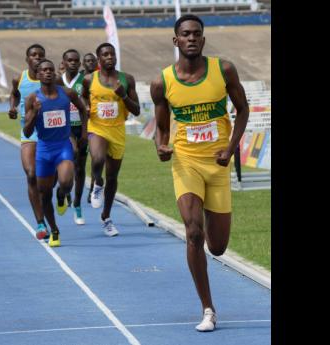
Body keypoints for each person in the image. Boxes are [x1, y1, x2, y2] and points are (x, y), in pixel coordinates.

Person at [150, 14, 249, 332]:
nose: (191, 38)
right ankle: (208, 309)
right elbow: (161, 128)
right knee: (193, 232)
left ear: (203, 40)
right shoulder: (162, 82)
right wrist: (161, 147)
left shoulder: (224, 70)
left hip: (218, 164)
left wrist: (231, 149)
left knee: (217, 246)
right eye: (185, 34)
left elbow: (243, 109)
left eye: (196, 34)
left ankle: (207, 219)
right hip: (187, 163)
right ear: (175, 40)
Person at [24, 59, 88, 247]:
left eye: (51, 69)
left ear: (55, 73)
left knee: (67, 182)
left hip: (63, 145)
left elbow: (83, 109)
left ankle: (62, 194)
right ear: (38, 75)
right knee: (44, 195)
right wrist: (34, 113)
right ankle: (54, 230)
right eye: (44, 70)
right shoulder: (32, 99)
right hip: (44, 149)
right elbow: (27, 132)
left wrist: (83, 132)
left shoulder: (67, 93)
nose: (48, 72)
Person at [82, 43, 140, 236]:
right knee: (97, 159)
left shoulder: (126, 79)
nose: (109, 57)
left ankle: (106, 217)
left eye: (112, 54)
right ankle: (97, 183)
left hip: (117, 131)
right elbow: (82, 98)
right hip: (97, 127)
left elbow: (137, 110)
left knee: (113, 177)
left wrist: (123, 95)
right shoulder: (89, 79)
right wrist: (86, 108)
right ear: (99, 59)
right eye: (105, 54)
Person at [8, 43, 48, 240]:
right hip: (29, 132)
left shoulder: (50, 79)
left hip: (49, 132)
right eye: (34, 55)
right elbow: (14, 94)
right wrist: (13, 108)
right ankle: (40, 223)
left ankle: (61, 194)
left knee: (50, 180)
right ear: (27, 59)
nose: (38, 57)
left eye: (41, 55)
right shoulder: (19, 78)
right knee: (31, 174)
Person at [56, 49, 88, 225]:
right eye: (70, 60)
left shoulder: (85, 81)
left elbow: (89, 103)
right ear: (64, 61)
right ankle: (63, 192)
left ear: (80, 63)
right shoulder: (57, 81)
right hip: (64, 128)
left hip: (81, 126)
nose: (73, 63)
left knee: (81, 168)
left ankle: (77, 204)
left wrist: (85, 131)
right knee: (72, 154)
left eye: (76, 60)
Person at [80, 53, 99, 204]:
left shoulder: (101, 77)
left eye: (92, 61)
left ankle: (93, 188)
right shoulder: (80, 79)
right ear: (83, 63)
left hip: (96, 124)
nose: (90, 63)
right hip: (79, 125)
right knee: (78, 162)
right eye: (87, 61)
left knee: (95, 159)